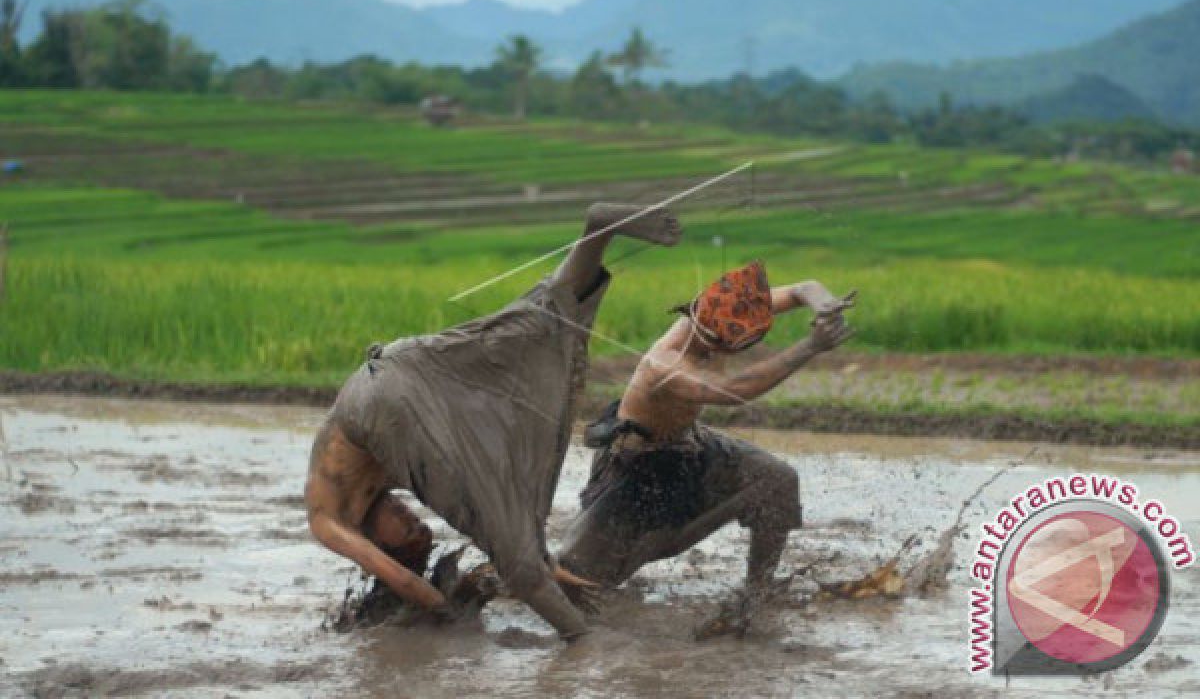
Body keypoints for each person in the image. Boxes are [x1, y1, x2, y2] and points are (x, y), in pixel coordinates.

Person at [304, 203, 681, 640]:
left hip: (378, 400)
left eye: (405, 529)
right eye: (416, 526)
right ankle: (598, 230)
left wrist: (449, 614)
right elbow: (492, 497)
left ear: (379, 542)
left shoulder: (327, 518)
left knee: (515, 560)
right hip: (397, 362)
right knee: (531, 327)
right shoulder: (385, 471)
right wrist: (555, 571)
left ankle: (582, 642)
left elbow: (403, 580)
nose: (413, 519)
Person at [558, 260, 855, 635]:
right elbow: (738, 390)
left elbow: (803, 287)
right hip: (639, 464)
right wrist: (811, 345)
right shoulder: (665, 365)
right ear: (709, 328)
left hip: (690, 440)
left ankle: (758, 592)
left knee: (776, 480)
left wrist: (823, 303)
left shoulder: (723, 310)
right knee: (575, 580)